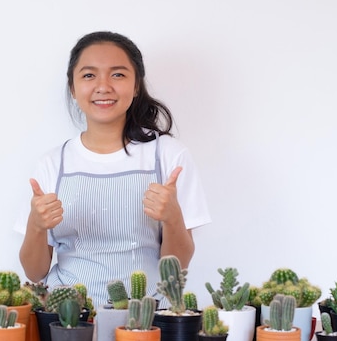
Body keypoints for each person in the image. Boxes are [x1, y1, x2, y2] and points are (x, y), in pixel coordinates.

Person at [15, 31, 210, 308]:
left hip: (148, 317)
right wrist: (36, 225)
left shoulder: (168, 155)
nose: (103, 86)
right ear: (72, 87)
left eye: (118, 75)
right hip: (68, 317)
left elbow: (176, 268)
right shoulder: (52, 163)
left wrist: (173, 218)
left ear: (136, 85)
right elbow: (34, 272)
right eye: (89, 75)